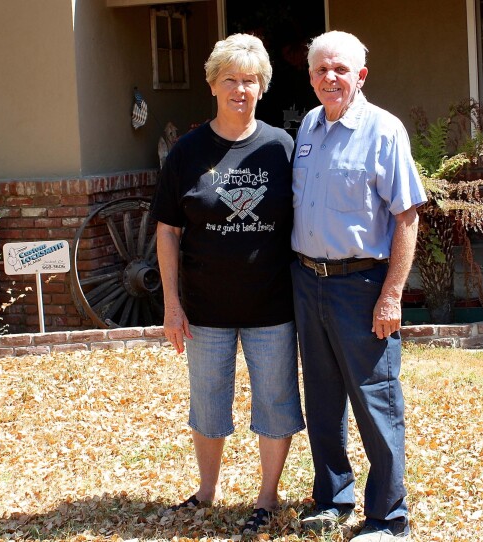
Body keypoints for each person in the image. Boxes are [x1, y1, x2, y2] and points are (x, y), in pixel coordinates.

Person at [151, 33, 303, 536]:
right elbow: (168, 232)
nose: (241, 88)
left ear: (263, 87)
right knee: (208, 404)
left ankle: (266, 496)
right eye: (231, 79)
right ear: (213, 84)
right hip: (204, 310)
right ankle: (207, 490)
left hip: (271, 306)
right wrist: (172, 306)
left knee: (277, 403)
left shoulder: (283, 149)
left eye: (251, 80)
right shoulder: (187, 152)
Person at [291, 31, 426, 541]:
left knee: (376, 400)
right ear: (310, 77)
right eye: (322, 69)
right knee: (322, 398)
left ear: (360, 75)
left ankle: (389, 518)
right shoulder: (308, 126)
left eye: (341, 69)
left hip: (361, 285)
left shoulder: (384, 131)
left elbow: (407, 217)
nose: (331, 78)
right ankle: (332, 498)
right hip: (308, 281)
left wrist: (391, 294)